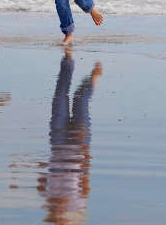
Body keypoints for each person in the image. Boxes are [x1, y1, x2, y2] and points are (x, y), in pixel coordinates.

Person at [36, 52, 103, 224]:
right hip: (79, 145)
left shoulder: (47, 199)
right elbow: (86, 179)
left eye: (55, 217)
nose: (58, 214)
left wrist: (43, 170)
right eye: (60, 219)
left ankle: (68, 61)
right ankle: (93, 79)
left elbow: (42, 177)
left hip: (57, 142)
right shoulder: (78, 206)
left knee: (60, 95)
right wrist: (85, 151)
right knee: (80, 100)